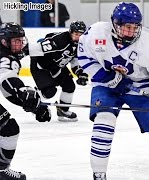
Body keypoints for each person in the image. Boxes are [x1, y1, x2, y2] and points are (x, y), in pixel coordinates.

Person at [77, 2, 149, 180]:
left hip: (142, 85)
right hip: (106, 85)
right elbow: (83, 54)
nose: (131, 32)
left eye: (135, 27)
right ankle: (99, 175)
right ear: (115, 24)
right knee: (103, 123)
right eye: (127, 27)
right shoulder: (97, 33)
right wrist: (105, 77)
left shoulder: (146, 40)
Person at [0, 22, 50, 180]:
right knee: (9, 128)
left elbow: (8, 92)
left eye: (21, 39)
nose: (20, 43)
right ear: (4, 41)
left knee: (8, 127)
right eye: (16, 40)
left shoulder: (9, 52)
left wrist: (33, 106)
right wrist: (22, 91)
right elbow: (6, 80)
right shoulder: (5, 58)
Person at [29, 20, 88, 122]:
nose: (78, 37)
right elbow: (35, 48)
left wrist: (80, 74)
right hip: (41, 66)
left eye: (81, 35)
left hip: (57, 67)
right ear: (70, 32)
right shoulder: (59, 40)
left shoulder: (81, 44)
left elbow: (75, 61)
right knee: (49, 92)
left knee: (69, 86)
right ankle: (31, 100)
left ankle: (62, 110)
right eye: (76, 34)